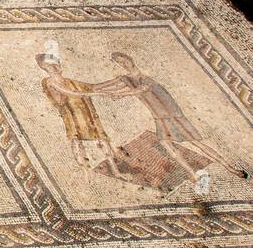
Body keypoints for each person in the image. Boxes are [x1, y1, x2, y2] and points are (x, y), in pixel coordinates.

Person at [73, 53, 245, 182]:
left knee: (196, 143)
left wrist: (112, 94)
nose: (122, 63)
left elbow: (134, 91)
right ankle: (192, 173)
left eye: (123, 60)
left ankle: (230, 168)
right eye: (118, 62)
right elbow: (101, 86)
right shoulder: (125, 78)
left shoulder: (145, 77)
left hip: (173, 115)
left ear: (130, 59)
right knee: (167, 145)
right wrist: (87, 89)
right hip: (159, 118)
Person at [36, 54, 123, 178]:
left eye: (55, 64)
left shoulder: (70, 81)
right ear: (44, 67)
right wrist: (104, 94)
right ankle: (85, 172)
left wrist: (117, 81)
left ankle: (116, 171)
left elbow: (93, 87)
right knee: (76, 141)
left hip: (86, 112)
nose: (54, 67)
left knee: (102, 139)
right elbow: (72, 93)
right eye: (50, 65)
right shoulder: (49, 82)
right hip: (71, 114)